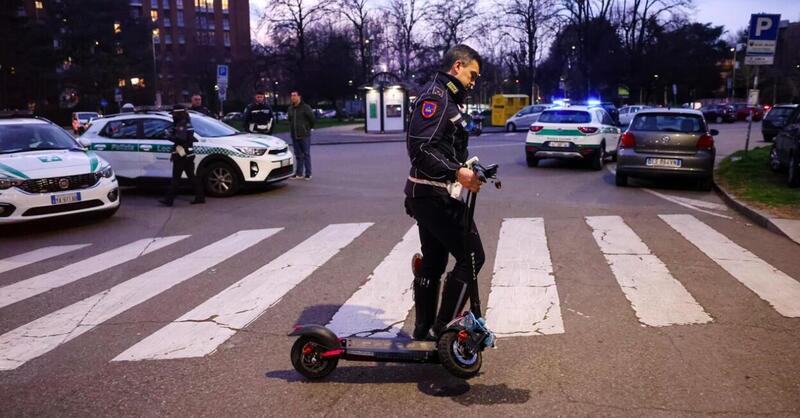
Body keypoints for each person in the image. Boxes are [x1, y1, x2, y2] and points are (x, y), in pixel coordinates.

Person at [403, 45, 485, 340]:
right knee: (472, 255)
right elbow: (420, 148)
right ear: (458, 66)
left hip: (430, 194)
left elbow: (441, 147)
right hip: (433, 195)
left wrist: (465, 168)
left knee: (435, 261)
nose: (473, 83)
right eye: (472, 75)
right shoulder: (436, 97)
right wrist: (456, 172)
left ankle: (423, 331)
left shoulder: (446, 97)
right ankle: (444, 331)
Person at [159, 105, 205, 206]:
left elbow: (181, 139)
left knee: (176, 178)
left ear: (178, 114)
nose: (172, 116)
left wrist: (169, 136)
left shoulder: (181, 124)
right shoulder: (187, 122)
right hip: (188, 153)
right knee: (191, 177)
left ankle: (169, 200)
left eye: (174, 114)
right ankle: (200, 197)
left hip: (182, 154)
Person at [287, 90, 315, 180]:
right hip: (294, 135)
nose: (293, 97)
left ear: (299, 97)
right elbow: (290, 120)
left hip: (304, 134)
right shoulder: (290, 108)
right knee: (298, 155)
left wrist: (307, 128)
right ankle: (299, 173)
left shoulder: (305, 107)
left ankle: (308, 173)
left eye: (294, 95)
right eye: (292, 96)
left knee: (306, 154)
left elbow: (312, 119)